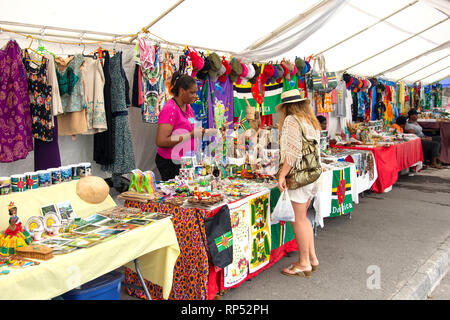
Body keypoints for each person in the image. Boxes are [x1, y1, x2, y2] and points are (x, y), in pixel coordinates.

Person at [277, 89, 322, 278]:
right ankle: (311, 258)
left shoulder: (291, 120)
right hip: (313, 175)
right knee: (304, 217)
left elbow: (293, 152)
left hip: (300, 177)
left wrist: (282, 174)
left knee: (299, 219)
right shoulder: (310, 121)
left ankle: (303, 263)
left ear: (287, 107)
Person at [155, 72, 212, 181]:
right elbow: (161, 141)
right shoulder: (170, 109)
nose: (196, 96)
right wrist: (190, 135)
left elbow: (189, 128)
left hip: (185, 161)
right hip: (171, 163)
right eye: (192, 93)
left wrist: (202, 132)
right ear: (181, 91)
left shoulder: (188, 107)